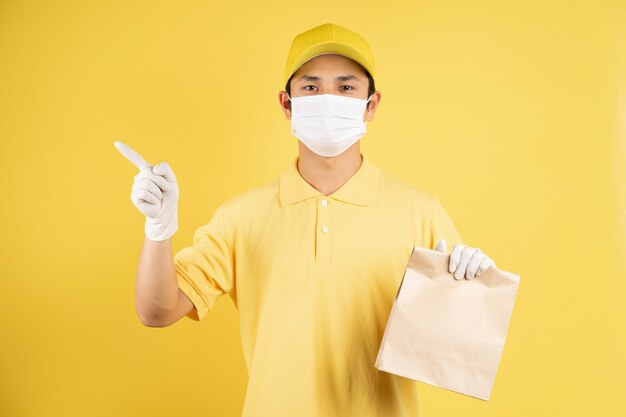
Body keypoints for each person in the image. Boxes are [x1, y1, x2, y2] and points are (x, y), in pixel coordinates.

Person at [115, 22, 496, 417]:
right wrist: (159, 228)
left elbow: (457, 353)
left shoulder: (421, 212)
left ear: (371, 105)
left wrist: (474, 291)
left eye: (346, 87)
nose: (329, 99)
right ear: (286, 104)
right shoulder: (241, 217)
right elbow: (156, 311)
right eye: (311, 87)